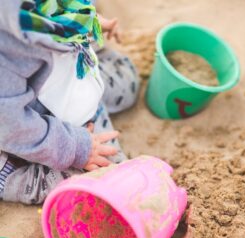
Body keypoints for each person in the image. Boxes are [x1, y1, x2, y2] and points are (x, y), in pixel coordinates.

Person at [0, 0, 140, 204]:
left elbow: (60, 8)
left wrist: (87, 23)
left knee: (128, 83)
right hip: (22, 125)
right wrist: (76, 147)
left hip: (64, 77)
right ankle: (11, 173)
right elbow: (10, 125)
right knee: (110, 180)